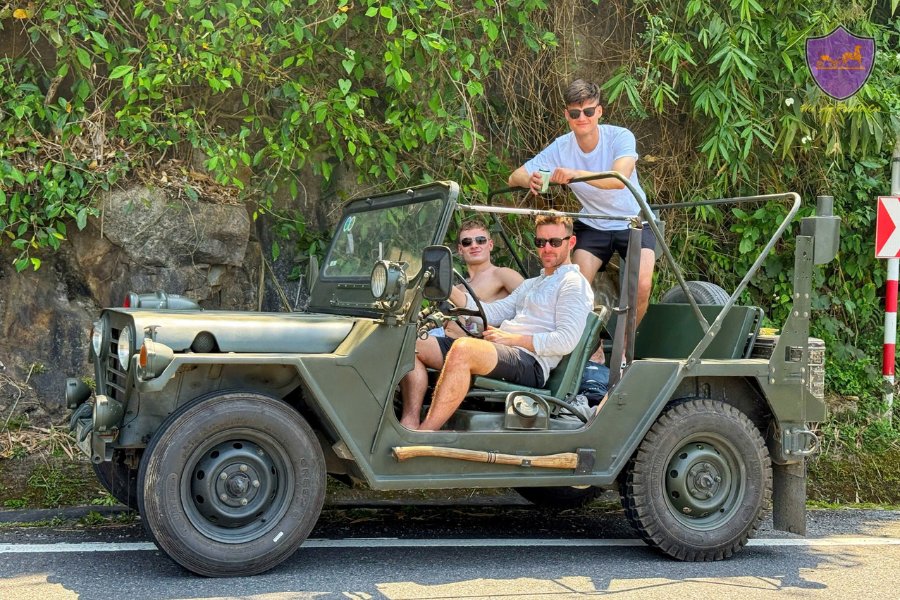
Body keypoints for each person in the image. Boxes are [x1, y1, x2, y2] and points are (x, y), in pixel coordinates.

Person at [400, 214, 593, 430]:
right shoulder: (533, 283)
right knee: (411, 345)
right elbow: (491, 312)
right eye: (540, 242)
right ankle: (409, 422)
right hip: (504, 352)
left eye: (554, 242)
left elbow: (565, 341)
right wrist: (445, 285)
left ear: (571, 242)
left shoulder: (573, 284)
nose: (546, 248)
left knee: (464, 348)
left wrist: (512, 339)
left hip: (532, 363)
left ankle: (424, 434)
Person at [508, 79, 656, 357]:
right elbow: (514, 176)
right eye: (575, 113)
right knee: (573, 285)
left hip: (633, 220)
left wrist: (575, 174)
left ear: (599, 111)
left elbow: (619, 179)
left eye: (588, 111)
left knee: (642, 285)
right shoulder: (562, 147)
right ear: (567, 115)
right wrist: (534, 179)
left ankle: (624, 347)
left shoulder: (619, 136)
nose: (582, 118)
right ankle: (592, 347)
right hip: (593, 223)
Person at [439, 219, 524, 336]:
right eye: (467, 242)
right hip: (442, 338)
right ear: (460, 249)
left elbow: (532, 305)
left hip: (481, 343)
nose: (474, 245)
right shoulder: (458, 288)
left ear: (490, 245)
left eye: (480, 240)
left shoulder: (502, 274)